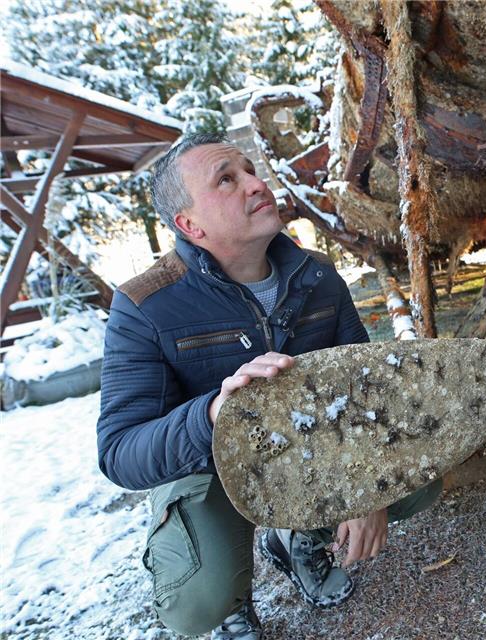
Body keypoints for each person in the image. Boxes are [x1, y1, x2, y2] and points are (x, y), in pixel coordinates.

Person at [96, 132, 441, 639]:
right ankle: (232, 596)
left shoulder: (318, 275)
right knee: (199, 602)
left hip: (303, 441)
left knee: (419, 479)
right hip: (203, 462)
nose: (256, 184)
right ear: (190, 225)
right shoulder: (145, 305)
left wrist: (368, 492)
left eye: (249, 170)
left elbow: (371, 389)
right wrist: (213, 413)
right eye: (227, 179)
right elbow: (120, 451)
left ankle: (296, 538)